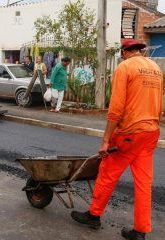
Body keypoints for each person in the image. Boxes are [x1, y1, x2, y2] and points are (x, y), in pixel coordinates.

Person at [71, 39, 163, 240]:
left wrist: (106, 140)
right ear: (140, 51)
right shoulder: (156, 68)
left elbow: (116, 109)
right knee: (143, 183)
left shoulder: (126, 67)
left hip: (129, 134)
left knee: (107, 173)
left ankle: (94, 216)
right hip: (151, 133)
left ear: (125, 52)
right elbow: (160, 103)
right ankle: (141, 230)